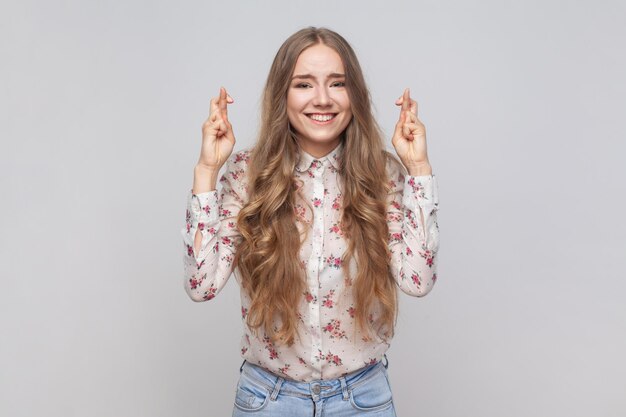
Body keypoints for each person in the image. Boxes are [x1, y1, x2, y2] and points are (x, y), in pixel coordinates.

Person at [181, 26, 439, 416]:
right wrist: (206, 170)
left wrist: (418, 168)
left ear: (355, 94)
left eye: (337, 83)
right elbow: (201, 285)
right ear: (282, 95)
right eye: (303, 84)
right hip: (268, 401)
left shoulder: (383, 175)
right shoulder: (246, 175)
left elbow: (417, 281)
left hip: (362, 400)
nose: (322, 99)